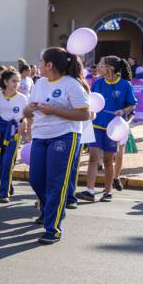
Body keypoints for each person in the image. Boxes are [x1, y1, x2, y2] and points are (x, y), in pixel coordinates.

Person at [24, 47, 92, 244]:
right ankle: (48, 210)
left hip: (64, 136)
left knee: (56, 183)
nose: (38, 66)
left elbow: (84, 114)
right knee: (36, 179)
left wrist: (53, 110)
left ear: (49, 65)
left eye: (41, 62)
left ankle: (53, 226)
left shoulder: (72, 85)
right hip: (40, 136)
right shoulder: (39, 84)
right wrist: (28, 110)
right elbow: (28, 113)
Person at [76, 56, 137, 203]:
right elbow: (91, 101)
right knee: (93, 158)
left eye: (102, 65)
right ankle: (90, 191)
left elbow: (132, 105)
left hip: (113, 128)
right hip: (96, 125)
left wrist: (122, 111)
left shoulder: (125, 85)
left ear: (110, 68)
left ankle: (108, 192)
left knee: (109, 161)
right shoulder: (97, 83)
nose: (98, 67)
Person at [0, 69, 28, 202]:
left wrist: (25, 125)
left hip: (13, 134)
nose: (17, 84)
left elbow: (25, 118)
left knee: (8, 161)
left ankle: (4, 193)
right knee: (0, 163)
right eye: (14, 81)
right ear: (5, 82)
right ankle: (8, 186)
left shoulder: (22, 98)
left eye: (18, 81)